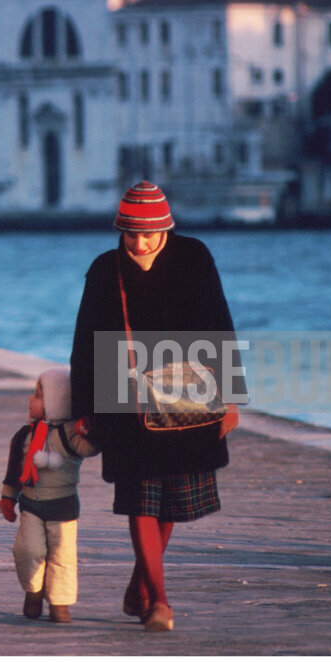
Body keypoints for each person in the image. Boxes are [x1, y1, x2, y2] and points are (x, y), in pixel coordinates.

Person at [70, 181, 241, 632]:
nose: (138, 242)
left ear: (165, 227)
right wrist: (83, 407)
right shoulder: (105, 270)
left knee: (172, 502)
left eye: (146, 233)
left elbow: (220, 325)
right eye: (130, 234)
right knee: (139, 498)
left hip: (190, 396)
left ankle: (141, 582)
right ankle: (159, 601)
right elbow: (84, 342)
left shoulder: (195, 257)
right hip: (123, 399)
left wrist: (232, 397)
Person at [0, 367, 98, 623]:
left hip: (63, 507)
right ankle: (34, 590)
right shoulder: (24, 435)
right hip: (31, 504)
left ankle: (60, 602)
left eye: (38, 396)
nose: (31, 400)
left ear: (57, 401)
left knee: (63, 555)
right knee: (27, 550)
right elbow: (13, 471)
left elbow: (88, 449)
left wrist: (93, 432)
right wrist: (8, 498)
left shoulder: (70, 435)